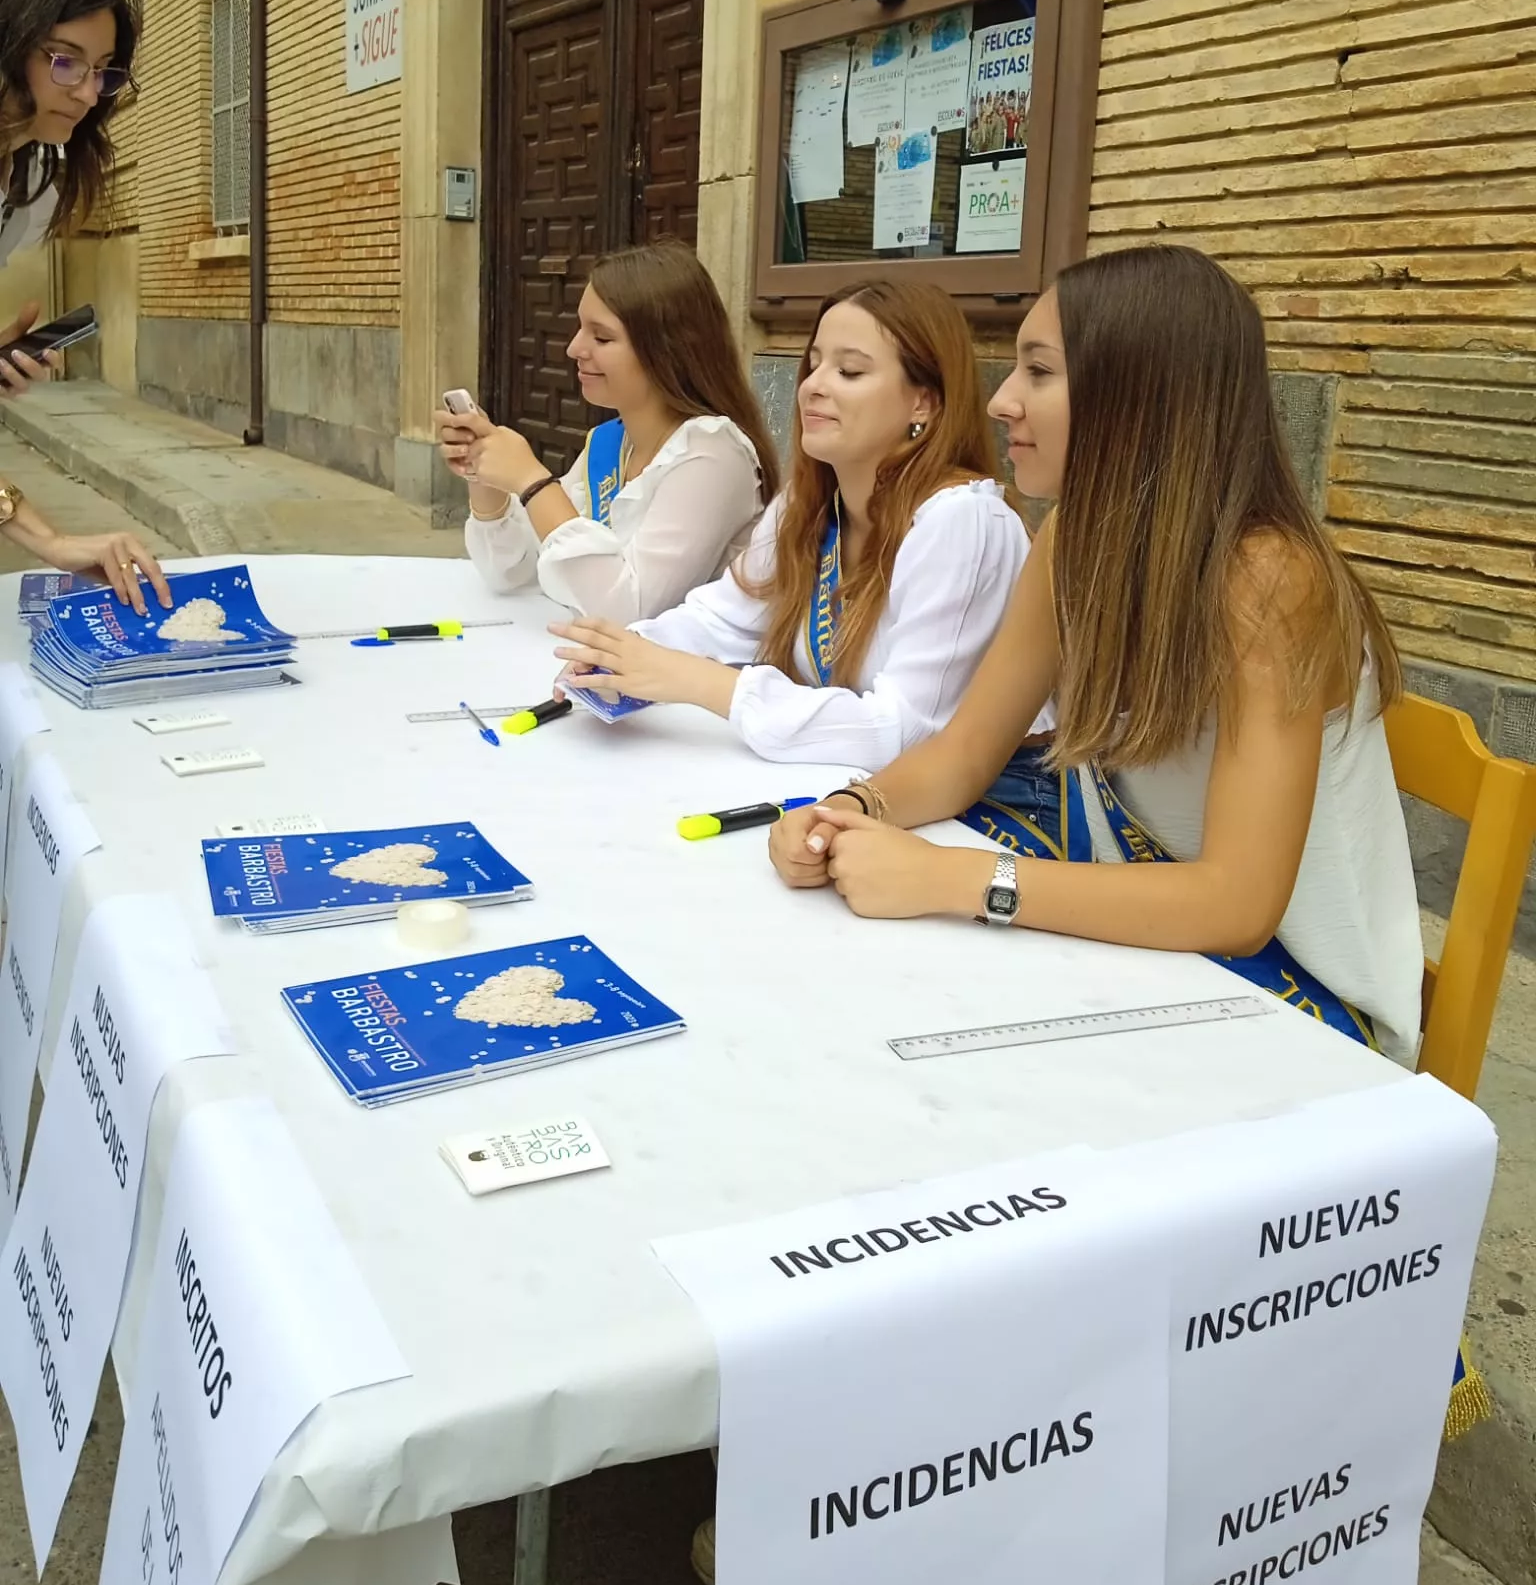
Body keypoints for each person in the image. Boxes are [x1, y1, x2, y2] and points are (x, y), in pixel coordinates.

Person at [769, 244, 1425, 1067]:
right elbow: (969, 750)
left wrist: (951, 880)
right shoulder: (1074, 535)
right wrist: (853, 811)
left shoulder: (1270, 580)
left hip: (1296, 1001)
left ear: (1141, 397)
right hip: (1137, 918)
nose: (1003, 401)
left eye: (1039, 372)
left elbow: (1237, 905)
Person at [552, 278, 1035, 767]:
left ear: (923, 404)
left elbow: (907, 732)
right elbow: (721, 619)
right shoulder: (806, 506)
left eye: (848, 371)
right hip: (853, 791)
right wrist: (621, 657)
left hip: (995, 811)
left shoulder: (963, 520)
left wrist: (694, 680)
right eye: (814, 363)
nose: (813, 385)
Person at [438, 243, 778, 622]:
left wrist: (531, 481)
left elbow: (628, 612)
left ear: (668, 349)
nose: (573, 349)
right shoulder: (612, 441)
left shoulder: (712, 454)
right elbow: (515, 574)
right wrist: (485, 476)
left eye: (601, 337)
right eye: (580, 329)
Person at [0, 0, 168, 610]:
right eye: (65, 62)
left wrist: (50, 540)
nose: (89, 93)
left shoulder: (32, 180)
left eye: (103, 71)